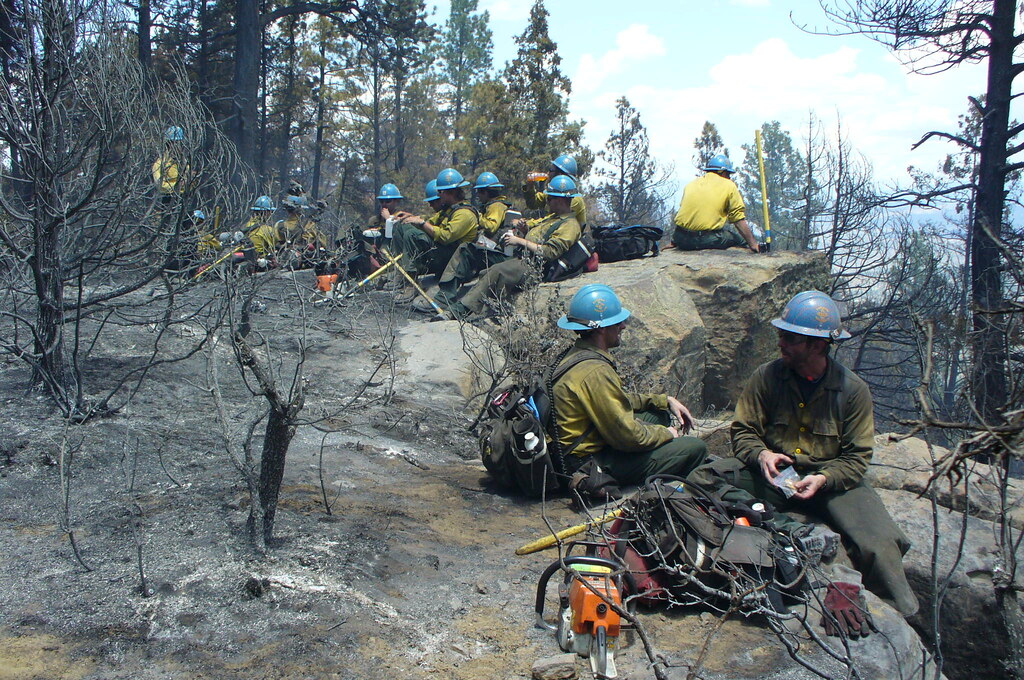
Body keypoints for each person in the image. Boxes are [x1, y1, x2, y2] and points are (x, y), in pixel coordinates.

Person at [686, 290, 919, 616]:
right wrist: (762, 455)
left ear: (818, 345)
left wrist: (824, 478)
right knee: (701, 478)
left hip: (830, 482)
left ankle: (898, 619)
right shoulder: (767, 378)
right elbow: (744, 432)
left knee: (880, 546)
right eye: (781, 334)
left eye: (790, 338)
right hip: (777, 476)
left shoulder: (852, 391)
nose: (781, 342)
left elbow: (856, 458)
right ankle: (794, 531)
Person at [549, 284, 707, 489]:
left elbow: (615, 399)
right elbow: (628, 437)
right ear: (602, 328)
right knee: (695, 448)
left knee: (657, 414)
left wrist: (663, 401)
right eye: (617, 322)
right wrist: (668, 434)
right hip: (584, 464)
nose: (623, 326)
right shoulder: (595, 371)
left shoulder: (576, 356)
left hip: (573, 449)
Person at [443, 175, 581, 321]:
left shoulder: (570, 225)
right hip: (522, 258)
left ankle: (459, 311)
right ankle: (457, 300)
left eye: (549, 199)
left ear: (560, 200)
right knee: (484, 265)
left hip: (535, 266)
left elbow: (550, 252)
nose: (547, 203)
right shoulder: (553, 218)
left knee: (496, 271)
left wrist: (520, 241)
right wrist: (525, 230)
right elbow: (540, 238)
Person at [421, 172, 513, 311]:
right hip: (486, 245)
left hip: (496, 250)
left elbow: (492, 226)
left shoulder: (497, 206)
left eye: (480, 192)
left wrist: (476, 215)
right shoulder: (487, 206)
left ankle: (445, 298)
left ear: (487, 192)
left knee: (465, 249)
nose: (478, 195)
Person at [391, 168, 479, 278]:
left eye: (440, 192)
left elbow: (446, 237)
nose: (439, 195)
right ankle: (403, 271)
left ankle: (411, 277)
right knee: (402, 227)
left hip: (455, 257)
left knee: (412, 235)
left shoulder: (465, 214)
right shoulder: (449, 210)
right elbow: (430, 222)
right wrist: (411, 218)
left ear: (450, 192)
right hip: (443, 252)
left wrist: (422, 223)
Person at [671, 153, 759, 253]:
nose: (729, 177)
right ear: (723, 172)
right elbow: (737, 218)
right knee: (740, 240)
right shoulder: (729, 185)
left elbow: (685, 214)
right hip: (704, 240)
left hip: (681, 239)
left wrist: (674, 241)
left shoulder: (691, 184)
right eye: (728, 174)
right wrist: (753, 244)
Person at [524, 154, 587, 227]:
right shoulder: (552, 192)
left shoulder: (573, 199)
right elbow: (532, 203)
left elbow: (553, 219)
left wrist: (528, 224)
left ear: (559, 174)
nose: (548, 174)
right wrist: (530, 186)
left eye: (551, 170)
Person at [245, 195, 280, 269]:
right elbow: (277, 244)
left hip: (250, 261)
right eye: (270, 212)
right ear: (266, 212)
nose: (271, 214)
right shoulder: (267, 230)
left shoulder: (247, 226)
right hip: (262, 264)